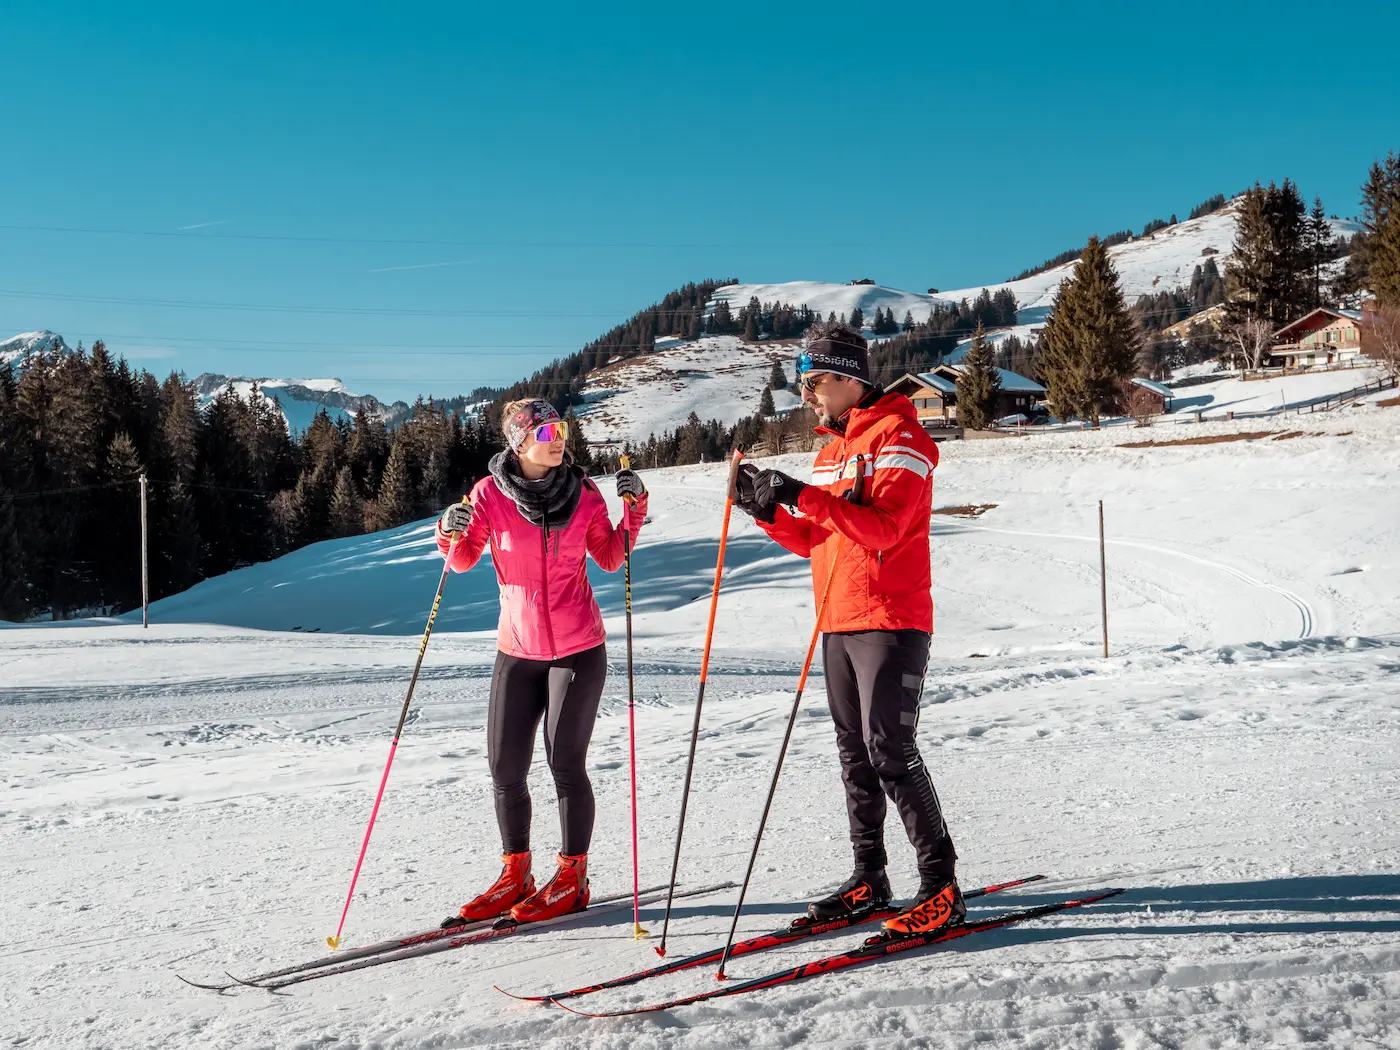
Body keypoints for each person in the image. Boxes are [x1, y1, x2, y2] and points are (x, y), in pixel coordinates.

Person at [733, 321, 962, 936]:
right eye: (805, 383)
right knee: (854, 754)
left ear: (849, 377)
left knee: (890, 747)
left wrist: (803, 496)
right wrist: (767, 513)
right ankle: (870, 877)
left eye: (815, 381)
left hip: (891, 616)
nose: (807, 394)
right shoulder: (832, 449)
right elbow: (817, 538)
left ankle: (941, 885)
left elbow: (885, 527)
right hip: (837, 617)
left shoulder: (902, 435)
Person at [433, 398, 647, 927]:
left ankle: (572, 878)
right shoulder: (489, 496)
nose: (558, 438)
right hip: (518, 650)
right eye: (546, 430)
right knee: (505, 768)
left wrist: (635, 508)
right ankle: (516, 874)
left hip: (578, 648)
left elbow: (611, 557)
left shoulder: (585, 493)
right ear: (518, 440)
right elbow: (460, 561)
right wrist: (447, 528)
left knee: (564, 764)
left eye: (561, 428)